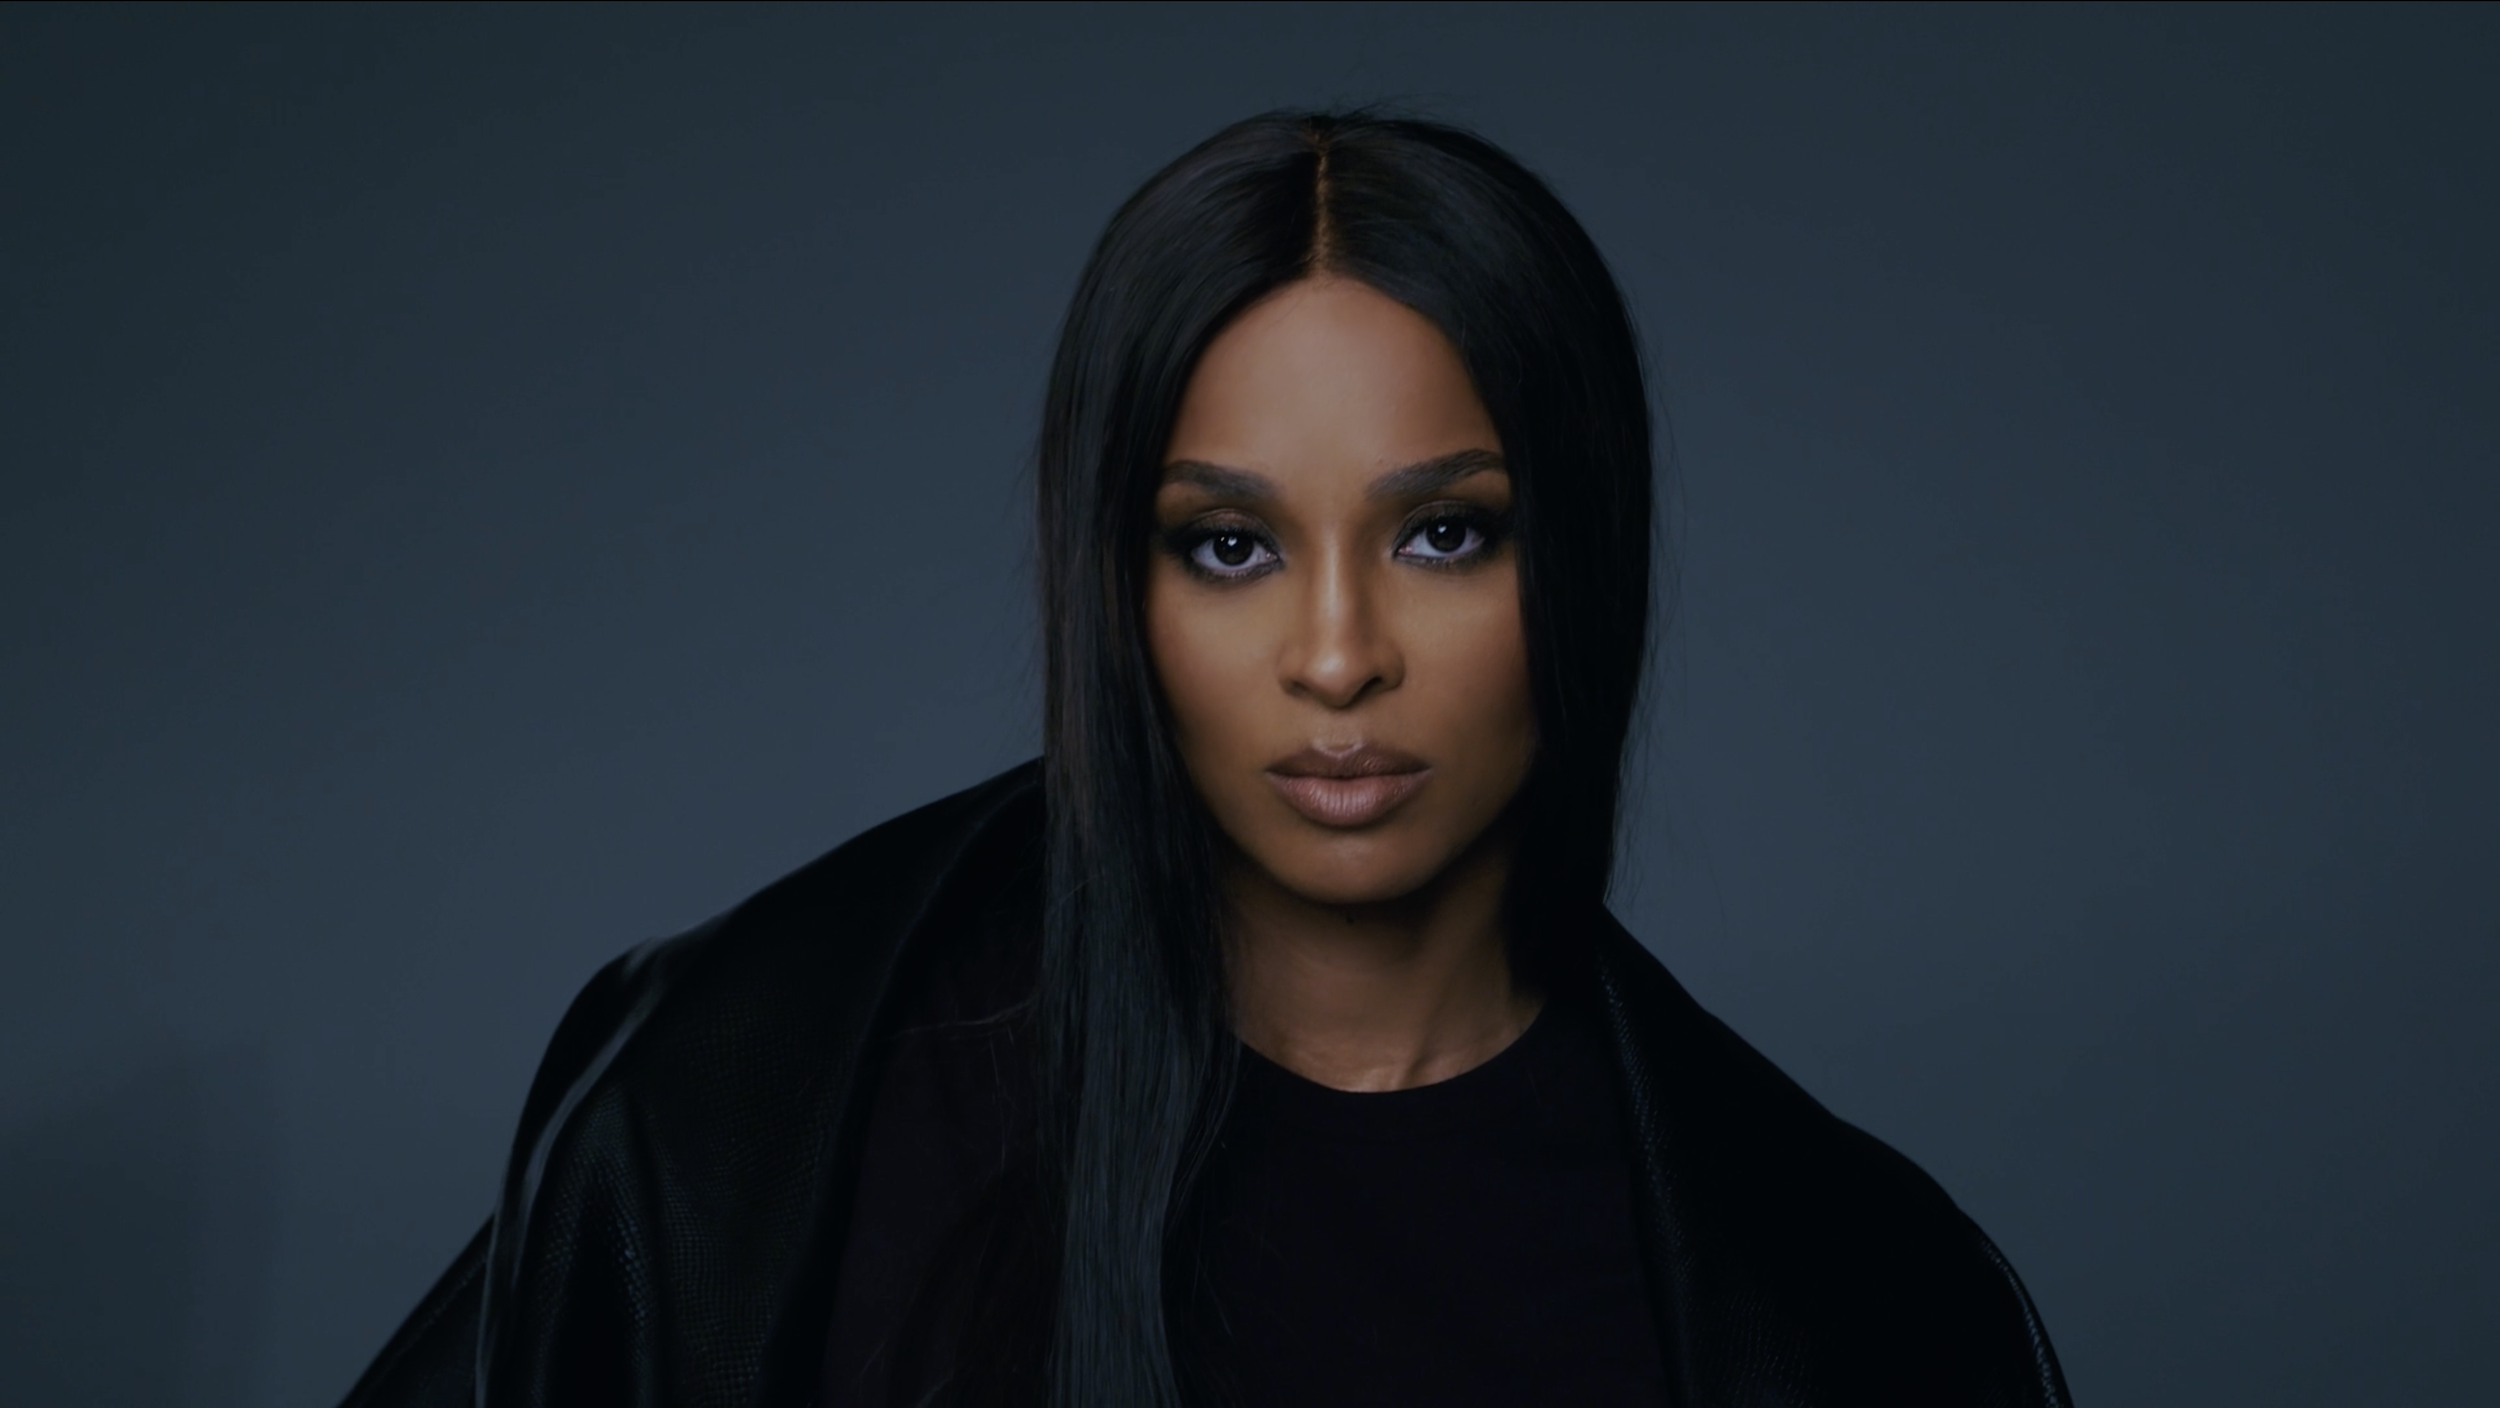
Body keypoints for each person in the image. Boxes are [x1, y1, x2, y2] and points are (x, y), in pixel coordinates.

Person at [340, 110, 2071, 1408]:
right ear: (1119, 583)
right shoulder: (752, 1112)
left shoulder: (1851, 1294)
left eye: (1446, 535)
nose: (1337, 654)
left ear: (1587, 562)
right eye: (1229, 546)